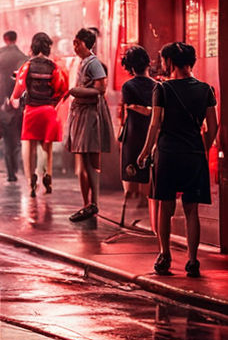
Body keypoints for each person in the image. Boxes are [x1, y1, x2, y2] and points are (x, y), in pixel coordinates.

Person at [138, 41, 218, 277]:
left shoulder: (162, 89)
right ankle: (192, 261)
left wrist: (144, 152)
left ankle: (165, 255)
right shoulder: (206, 90)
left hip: (168, 154)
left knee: (165, 207)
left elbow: (155, 124)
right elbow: (213, 127)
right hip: (194, 154)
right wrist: (202, 147)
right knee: (192, 210)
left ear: (170, 62)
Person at [11, 31, 69, 197]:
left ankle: (31, 181)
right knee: (47, 145)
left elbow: (20, 86)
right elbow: (62, 88)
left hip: (31, 110)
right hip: (49, 110)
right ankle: (46, 173)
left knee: (27, 144)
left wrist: (13, 98)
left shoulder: (28, 66)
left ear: (33, 46)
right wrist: (54, 103)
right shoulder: (54, 67)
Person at [65, 27, 114, 222]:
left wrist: (78, 91)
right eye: (74, 43)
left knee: (90, 161)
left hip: (90, 116)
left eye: (78, 43)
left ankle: (92, 204)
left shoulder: (94, 64)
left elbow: (101, 88)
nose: (75, 47)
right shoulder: (84, 62)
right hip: (82, 114)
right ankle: (88, 203)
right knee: (83, 161)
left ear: (88, 44)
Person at [118, 45, 154, 221]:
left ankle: (128, 215)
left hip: (132, 131)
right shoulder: (158, 86)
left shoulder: (128, 86)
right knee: (148, 171)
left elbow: (127, 109)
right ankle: (148, 215)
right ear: (148, 63)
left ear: (130, 67)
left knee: (130, 170)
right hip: (151, 130)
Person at [0, 30, 26, 183]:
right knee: (18, 139)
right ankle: (17, 167)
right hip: (18, 103)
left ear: (5, 39)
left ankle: (11, 173)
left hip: (2, 103)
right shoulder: (22, 57)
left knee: (7, 139)